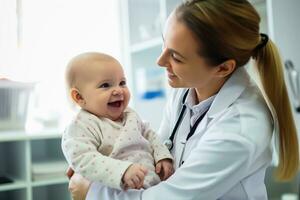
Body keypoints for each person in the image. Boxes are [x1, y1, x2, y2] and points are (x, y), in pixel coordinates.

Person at [68, 0, 299, 199]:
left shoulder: (241, 128)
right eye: (164, 43)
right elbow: (158, 150)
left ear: (222, 68)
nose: (160, 61)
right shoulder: (187, 87)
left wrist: (90, 191)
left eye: (176, 57)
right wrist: (103, 165)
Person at [62, 52, 174, 196]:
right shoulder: (81, 126)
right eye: (105, 85)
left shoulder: (130, 115)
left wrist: (162, 155)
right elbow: (83, 159)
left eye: (122, 83)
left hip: (153, 188)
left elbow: (149, 134)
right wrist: (122, 171)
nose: (118, 90)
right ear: (79, 97)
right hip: (117, 191)